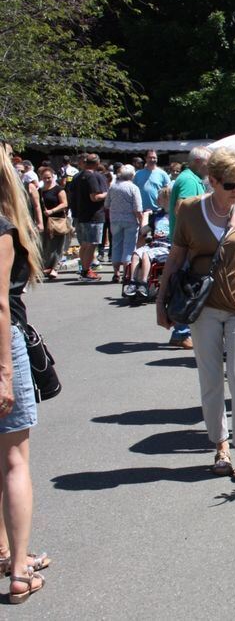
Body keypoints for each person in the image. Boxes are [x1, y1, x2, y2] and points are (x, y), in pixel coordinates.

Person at [156, 147, 235, 481]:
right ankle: (220, 445)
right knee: (210, 379)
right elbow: (176, 257)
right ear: (212, 181)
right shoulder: (190, 211)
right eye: (230, 185)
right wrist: (161, 299)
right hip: (204, 306)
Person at [0, 145, 48, 603]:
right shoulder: (3, 227)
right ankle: (18, 570)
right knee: (14, 460)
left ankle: (4, 552)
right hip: (2, 345)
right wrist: (4, 372)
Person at [165, 146, 211, 350]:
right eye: (209, 162)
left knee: (187, 286)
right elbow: (182, 207)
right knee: (186, 287)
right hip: (186, 243)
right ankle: (181, 332)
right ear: (200, 162)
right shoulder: (188, 180)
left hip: (185, 241)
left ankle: (182, 331)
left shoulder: (190, 179)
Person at [124, 185, 172, 299]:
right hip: (154, 245)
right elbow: (143, 230)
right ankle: (132, 282)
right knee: (136, 253)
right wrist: (145, 215)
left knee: (146, 254)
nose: (157, 200)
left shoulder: (175, 216)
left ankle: (143, 284)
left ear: (167, 199)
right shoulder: (157, 215)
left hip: (166, 246)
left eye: (159, 198)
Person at [105, 164, 143, 284]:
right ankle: (127, 274)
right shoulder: (133, 188)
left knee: (116, 245)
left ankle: (116, 273)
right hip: (130, 221)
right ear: (132, 175)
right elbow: (137, 208)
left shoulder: (113, 187)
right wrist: (142, 222)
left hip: (115, 220)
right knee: (129, 247)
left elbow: (106, 204)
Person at [74, 154, 108, 281]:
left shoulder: (78, 176)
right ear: (97, 163)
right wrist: (107, 193)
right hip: (93, 215)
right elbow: (94, 197)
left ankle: (84, 269)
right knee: (91, 244)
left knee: (84, 244)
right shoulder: (92, 176)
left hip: (81, 214)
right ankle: (86, 271)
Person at [38, 167, 69, 281]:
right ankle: (47, 267)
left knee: (57, 245)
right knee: (46, 245)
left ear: (53, 177)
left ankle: (54, 268)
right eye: (45, 178)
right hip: (45, 221)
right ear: (41, 178)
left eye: (49, 177)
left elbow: (64, 203)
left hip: (57, 220)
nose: (47, 180)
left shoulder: (58, 189)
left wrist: (52, 211)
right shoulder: (40, 190)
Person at [134, 150, 170, 218]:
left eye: (154, 158)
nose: (152, 159)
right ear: (145, 158)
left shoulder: (163, 174)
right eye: (150, 157)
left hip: (158, 211)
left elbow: (167, 192)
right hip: (142, 211)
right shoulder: (138, 174)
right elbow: (134, 191)